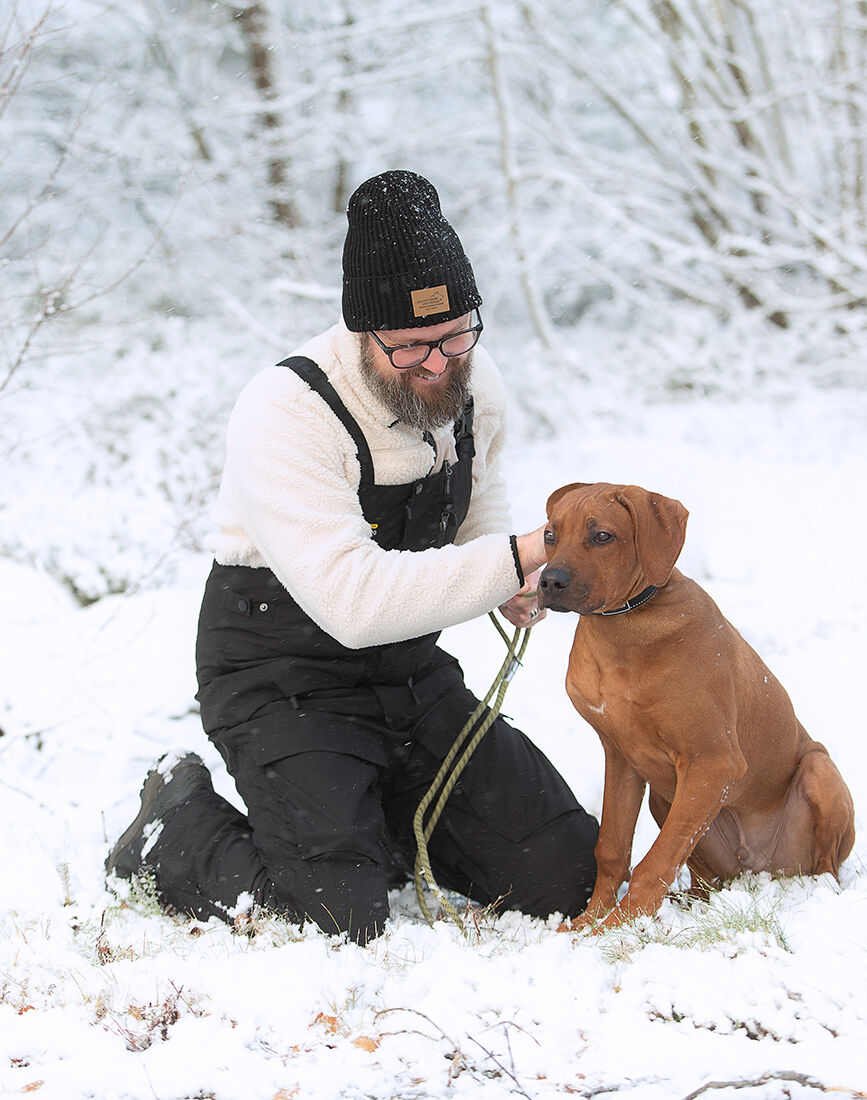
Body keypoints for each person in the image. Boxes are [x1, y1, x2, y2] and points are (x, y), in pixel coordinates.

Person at [105, 170, 598, 942]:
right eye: (411, 348)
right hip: (282, 678)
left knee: (567, 872)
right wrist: (524, 551)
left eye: (457, 335)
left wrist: (509, 575)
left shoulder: (472, 382)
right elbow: (354, 603)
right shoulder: (288, 411)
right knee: (336, 915)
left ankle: (369, 822)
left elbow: (481, 496)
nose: (439, 364)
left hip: (408, 674)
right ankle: (172, 823)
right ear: (361, 332)